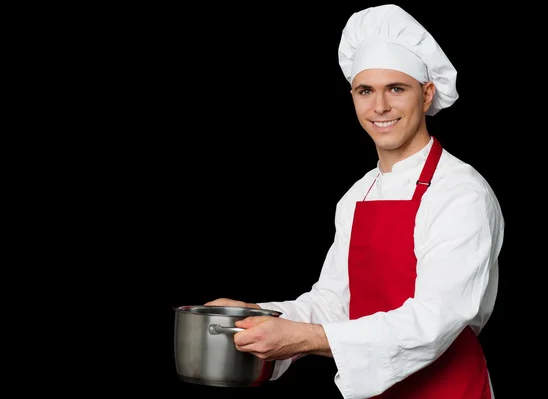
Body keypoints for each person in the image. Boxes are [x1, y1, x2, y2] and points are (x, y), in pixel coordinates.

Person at [205, 4, 505, 399]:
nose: (379, 107)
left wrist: (303, 338)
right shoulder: (357, 196)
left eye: (396, 88)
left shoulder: (460, 193)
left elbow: (433, 322)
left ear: (427, 93)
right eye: (366, 91)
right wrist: (254, 317)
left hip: (450, 389)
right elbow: (332, 302)